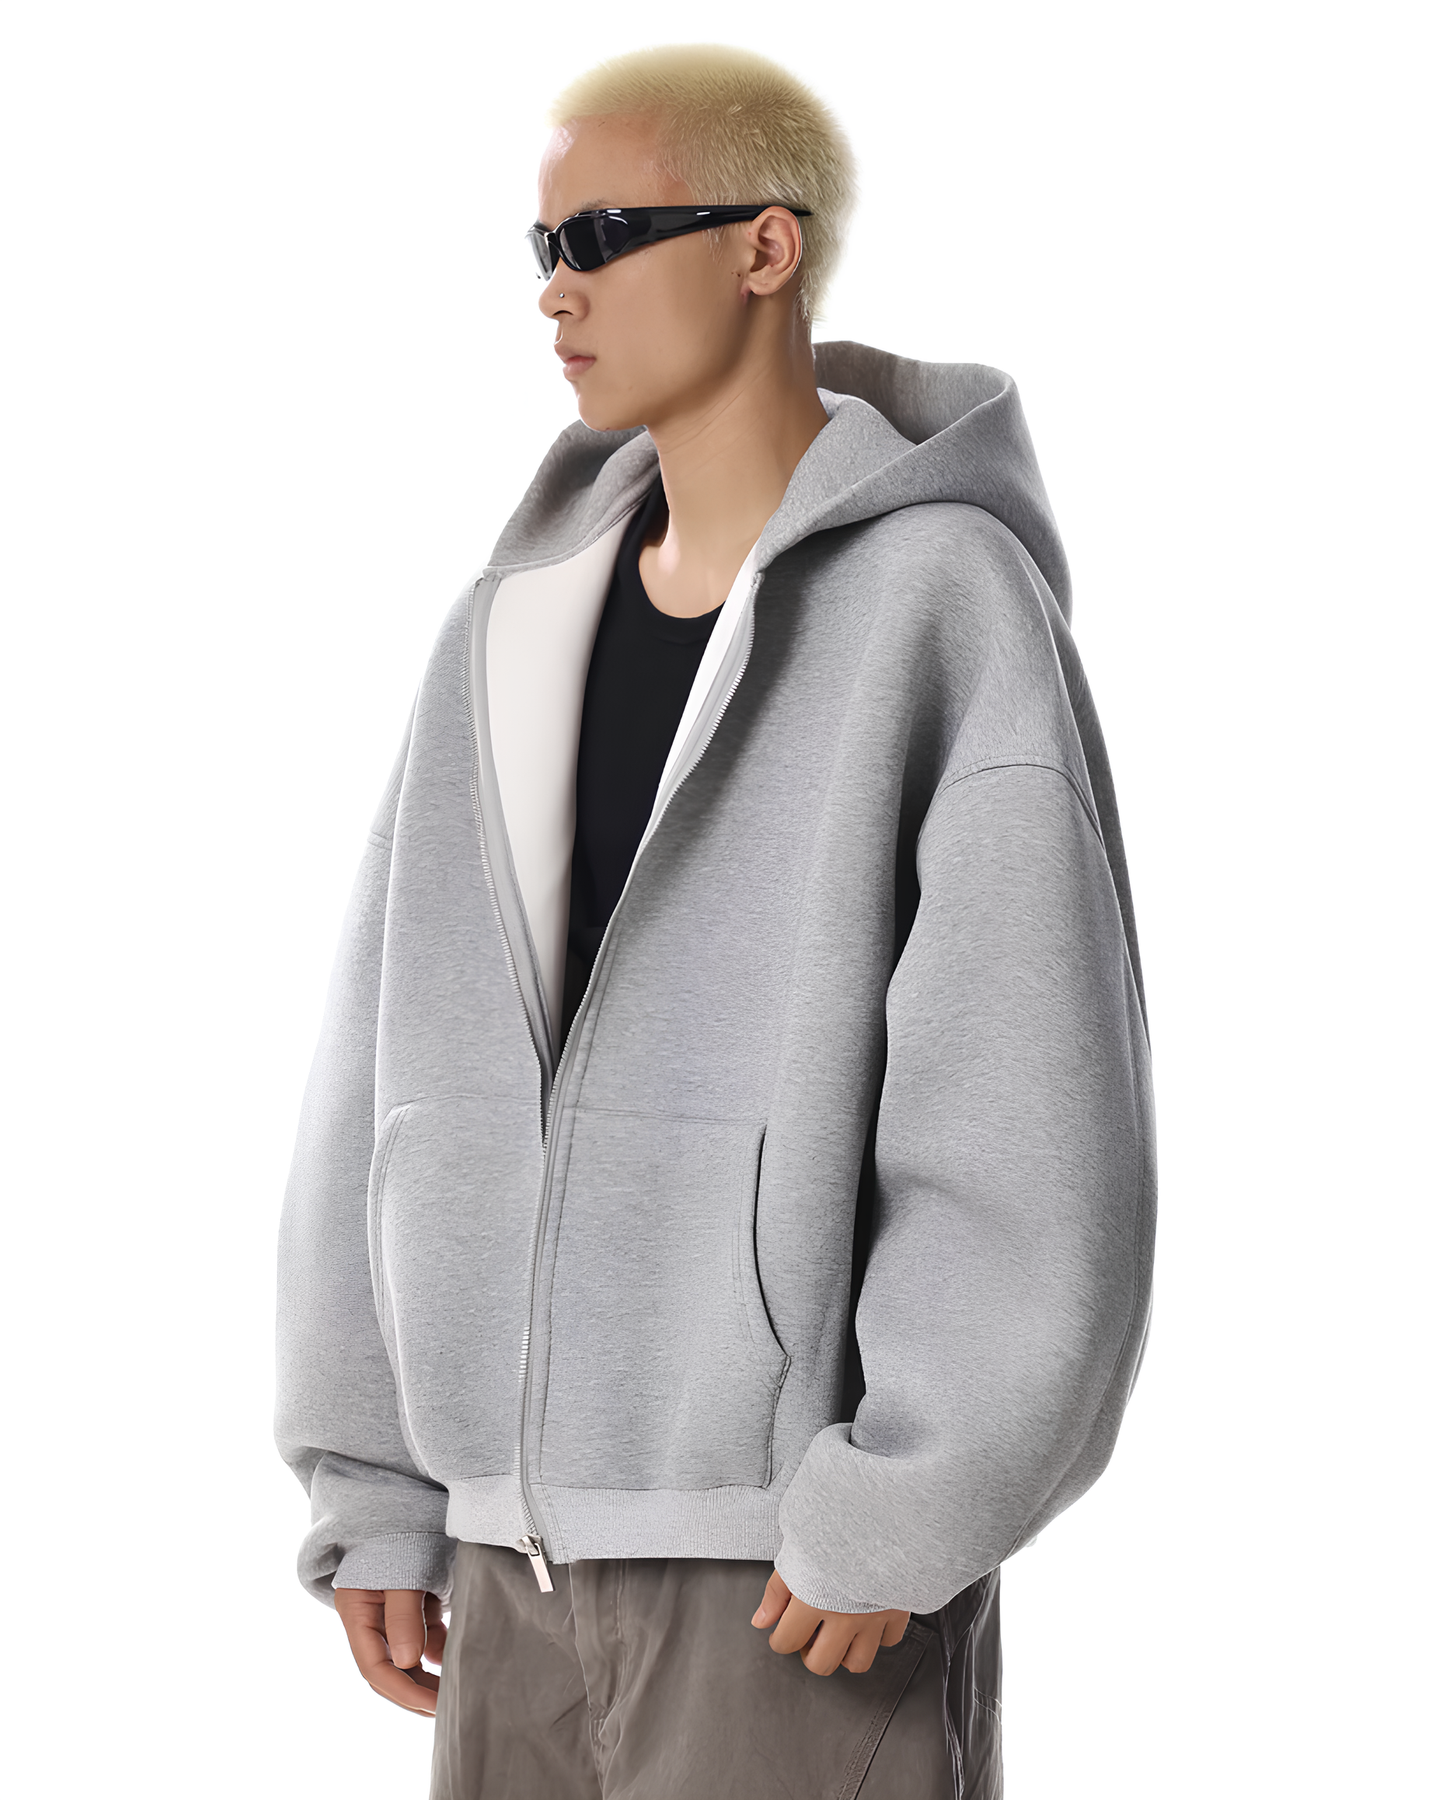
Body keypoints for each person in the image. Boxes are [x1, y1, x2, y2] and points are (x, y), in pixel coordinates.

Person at [274, 42, 1156, 1800]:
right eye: (542, 249)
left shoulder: (938, 605)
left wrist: (910, 1500)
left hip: (791, 1577)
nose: (559, 292)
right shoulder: (507, 625)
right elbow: (386, 1058)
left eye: (603, 236)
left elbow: (1024, 1088)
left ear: (766, 245)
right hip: (504, 1565)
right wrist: (374, 1478)